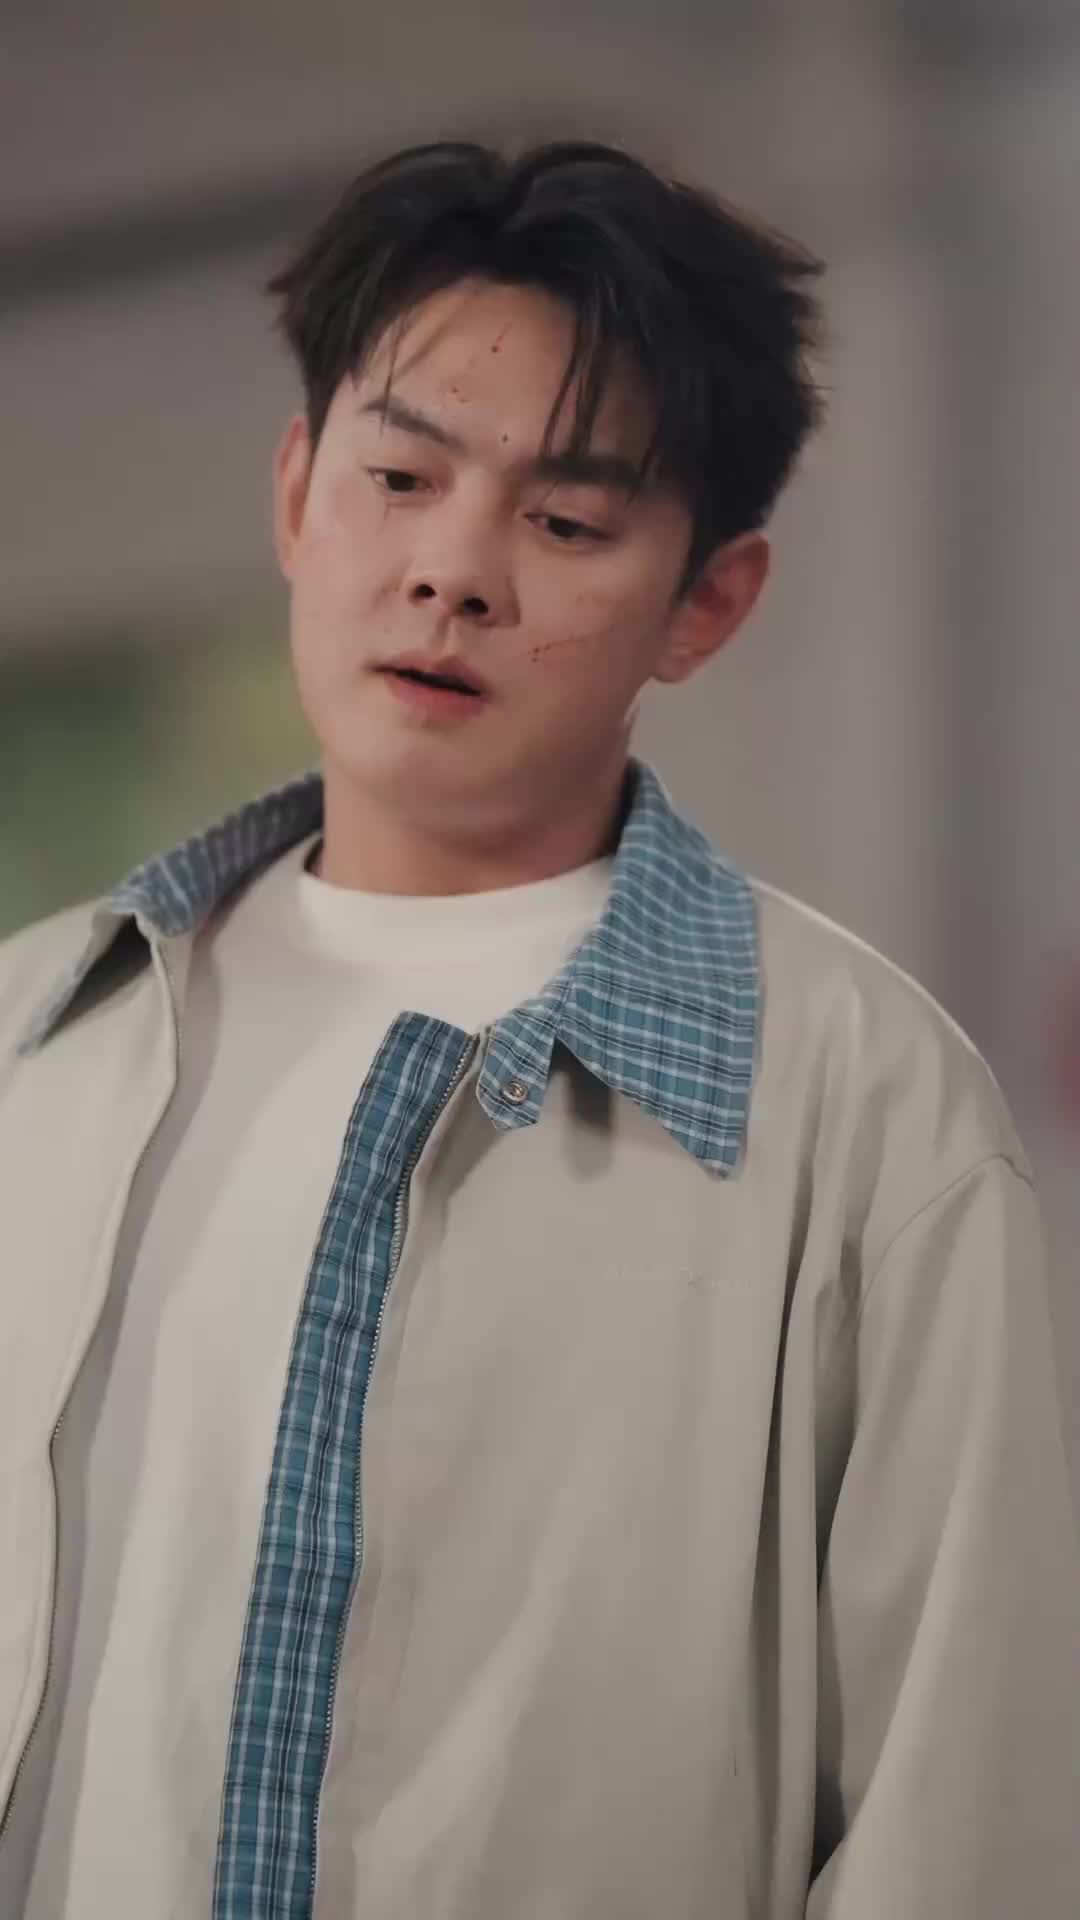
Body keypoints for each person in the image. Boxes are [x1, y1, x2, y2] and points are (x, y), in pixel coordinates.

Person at [0, 138, 1077, 1920]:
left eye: (566, 524)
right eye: (399, 477)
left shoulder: (866, 1113)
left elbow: (955, 1820)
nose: (454, 572)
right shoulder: (39, 1040)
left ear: (708, 602)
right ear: (298, 494)